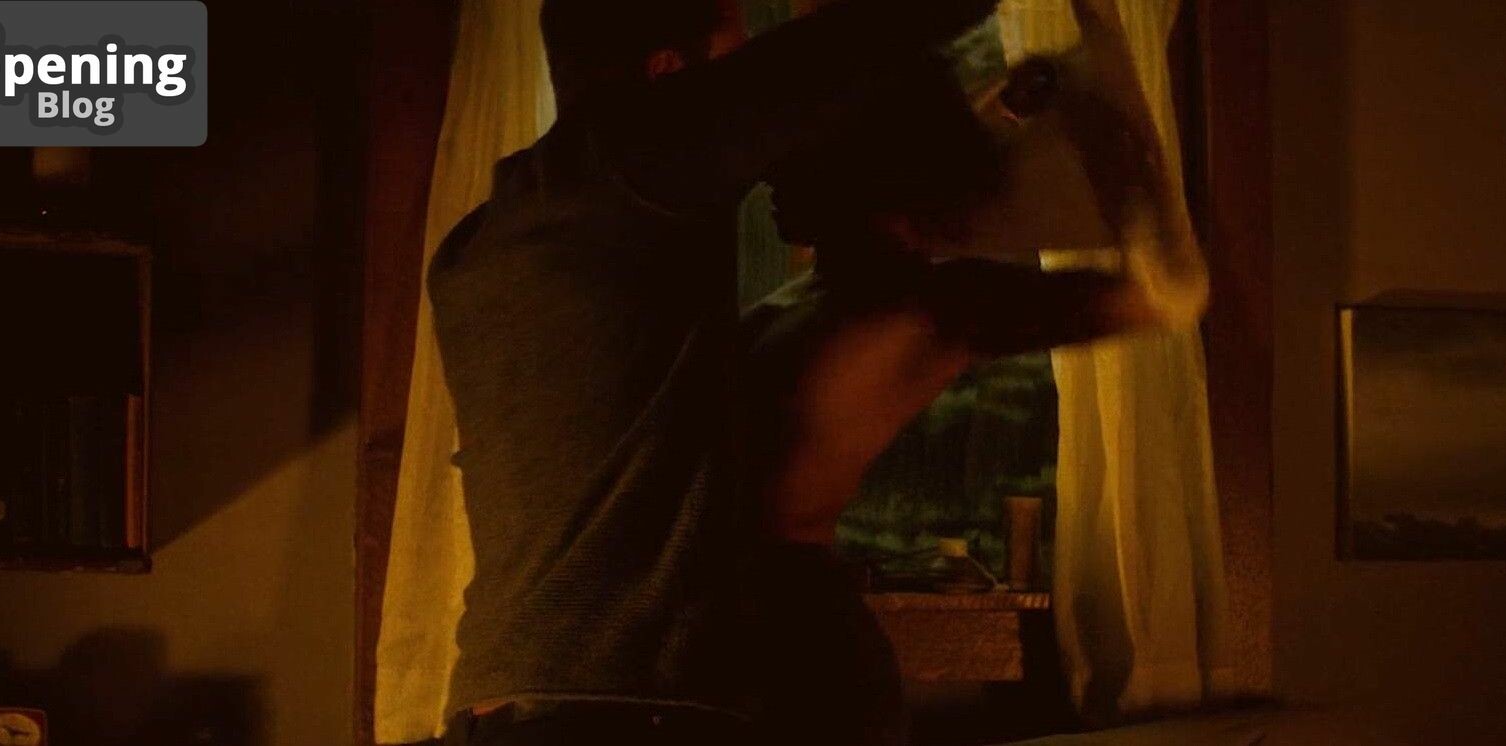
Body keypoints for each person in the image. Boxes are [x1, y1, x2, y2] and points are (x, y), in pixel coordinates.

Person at [423, 1, 1000, 743]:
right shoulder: (628, 164)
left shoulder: (480, 242)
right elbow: (853, 45)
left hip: (499, 704)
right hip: (624, 711)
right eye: (737, 59)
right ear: (670, 74)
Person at [737, 37, 1209, 740]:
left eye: (801, 144)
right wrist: (1011, 109)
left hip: (799, 654)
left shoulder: (937, 308)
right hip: (756, 640)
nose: (774, 169)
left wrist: (1097, 121)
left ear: (861, 166)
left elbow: (1166, 296)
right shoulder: (830, 293)